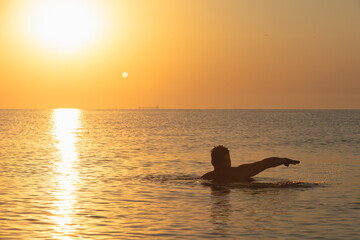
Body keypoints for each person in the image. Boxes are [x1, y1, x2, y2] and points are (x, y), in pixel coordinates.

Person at [201, 145, 300, 182]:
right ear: (228, 161)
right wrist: (285, 160)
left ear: (212, 162)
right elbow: (267, 163)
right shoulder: (239, 172)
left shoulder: (205, 177)